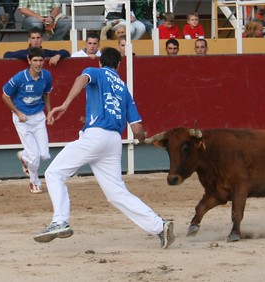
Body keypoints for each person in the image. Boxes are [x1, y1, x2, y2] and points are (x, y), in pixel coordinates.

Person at [34, 47, 175, 250]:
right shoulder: (125, 89)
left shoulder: (96, 72)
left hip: (95, 135)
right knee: (117, 193)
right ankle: (160, 226)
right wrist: (143, 138)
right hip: (113, 142)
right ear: (119, 65)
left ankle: (60, 221)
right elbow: (137, 130)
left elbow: (82, 79)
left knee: (54, 173)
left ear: (100, 62)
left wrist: (65, 104)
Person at [2, 47, 52, 194]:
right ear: (29, 61)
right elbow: (5, 95)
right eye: (35, 60)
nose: (38, 63)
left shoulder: (47, 76)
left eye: (41, 60)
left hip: (38, 117)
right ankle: (34, 182)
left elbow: (46, 94)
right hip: (22, 118)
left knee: (44, 155)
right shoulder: (19, 78)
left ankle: (24, 157)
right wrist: (17, 112)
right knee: (35, 157)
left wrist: (49, 113)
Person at [3, 27, 70, 66]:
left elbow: (66, 52)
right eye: (33, 38)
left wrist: (58, 55)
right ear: (29, 40)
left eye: (38, 38)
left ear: (42, 40)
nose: (36, 40)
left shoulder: (47, 52)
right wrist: (26, 57)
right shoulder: (23, 53)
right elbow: (6, 55)